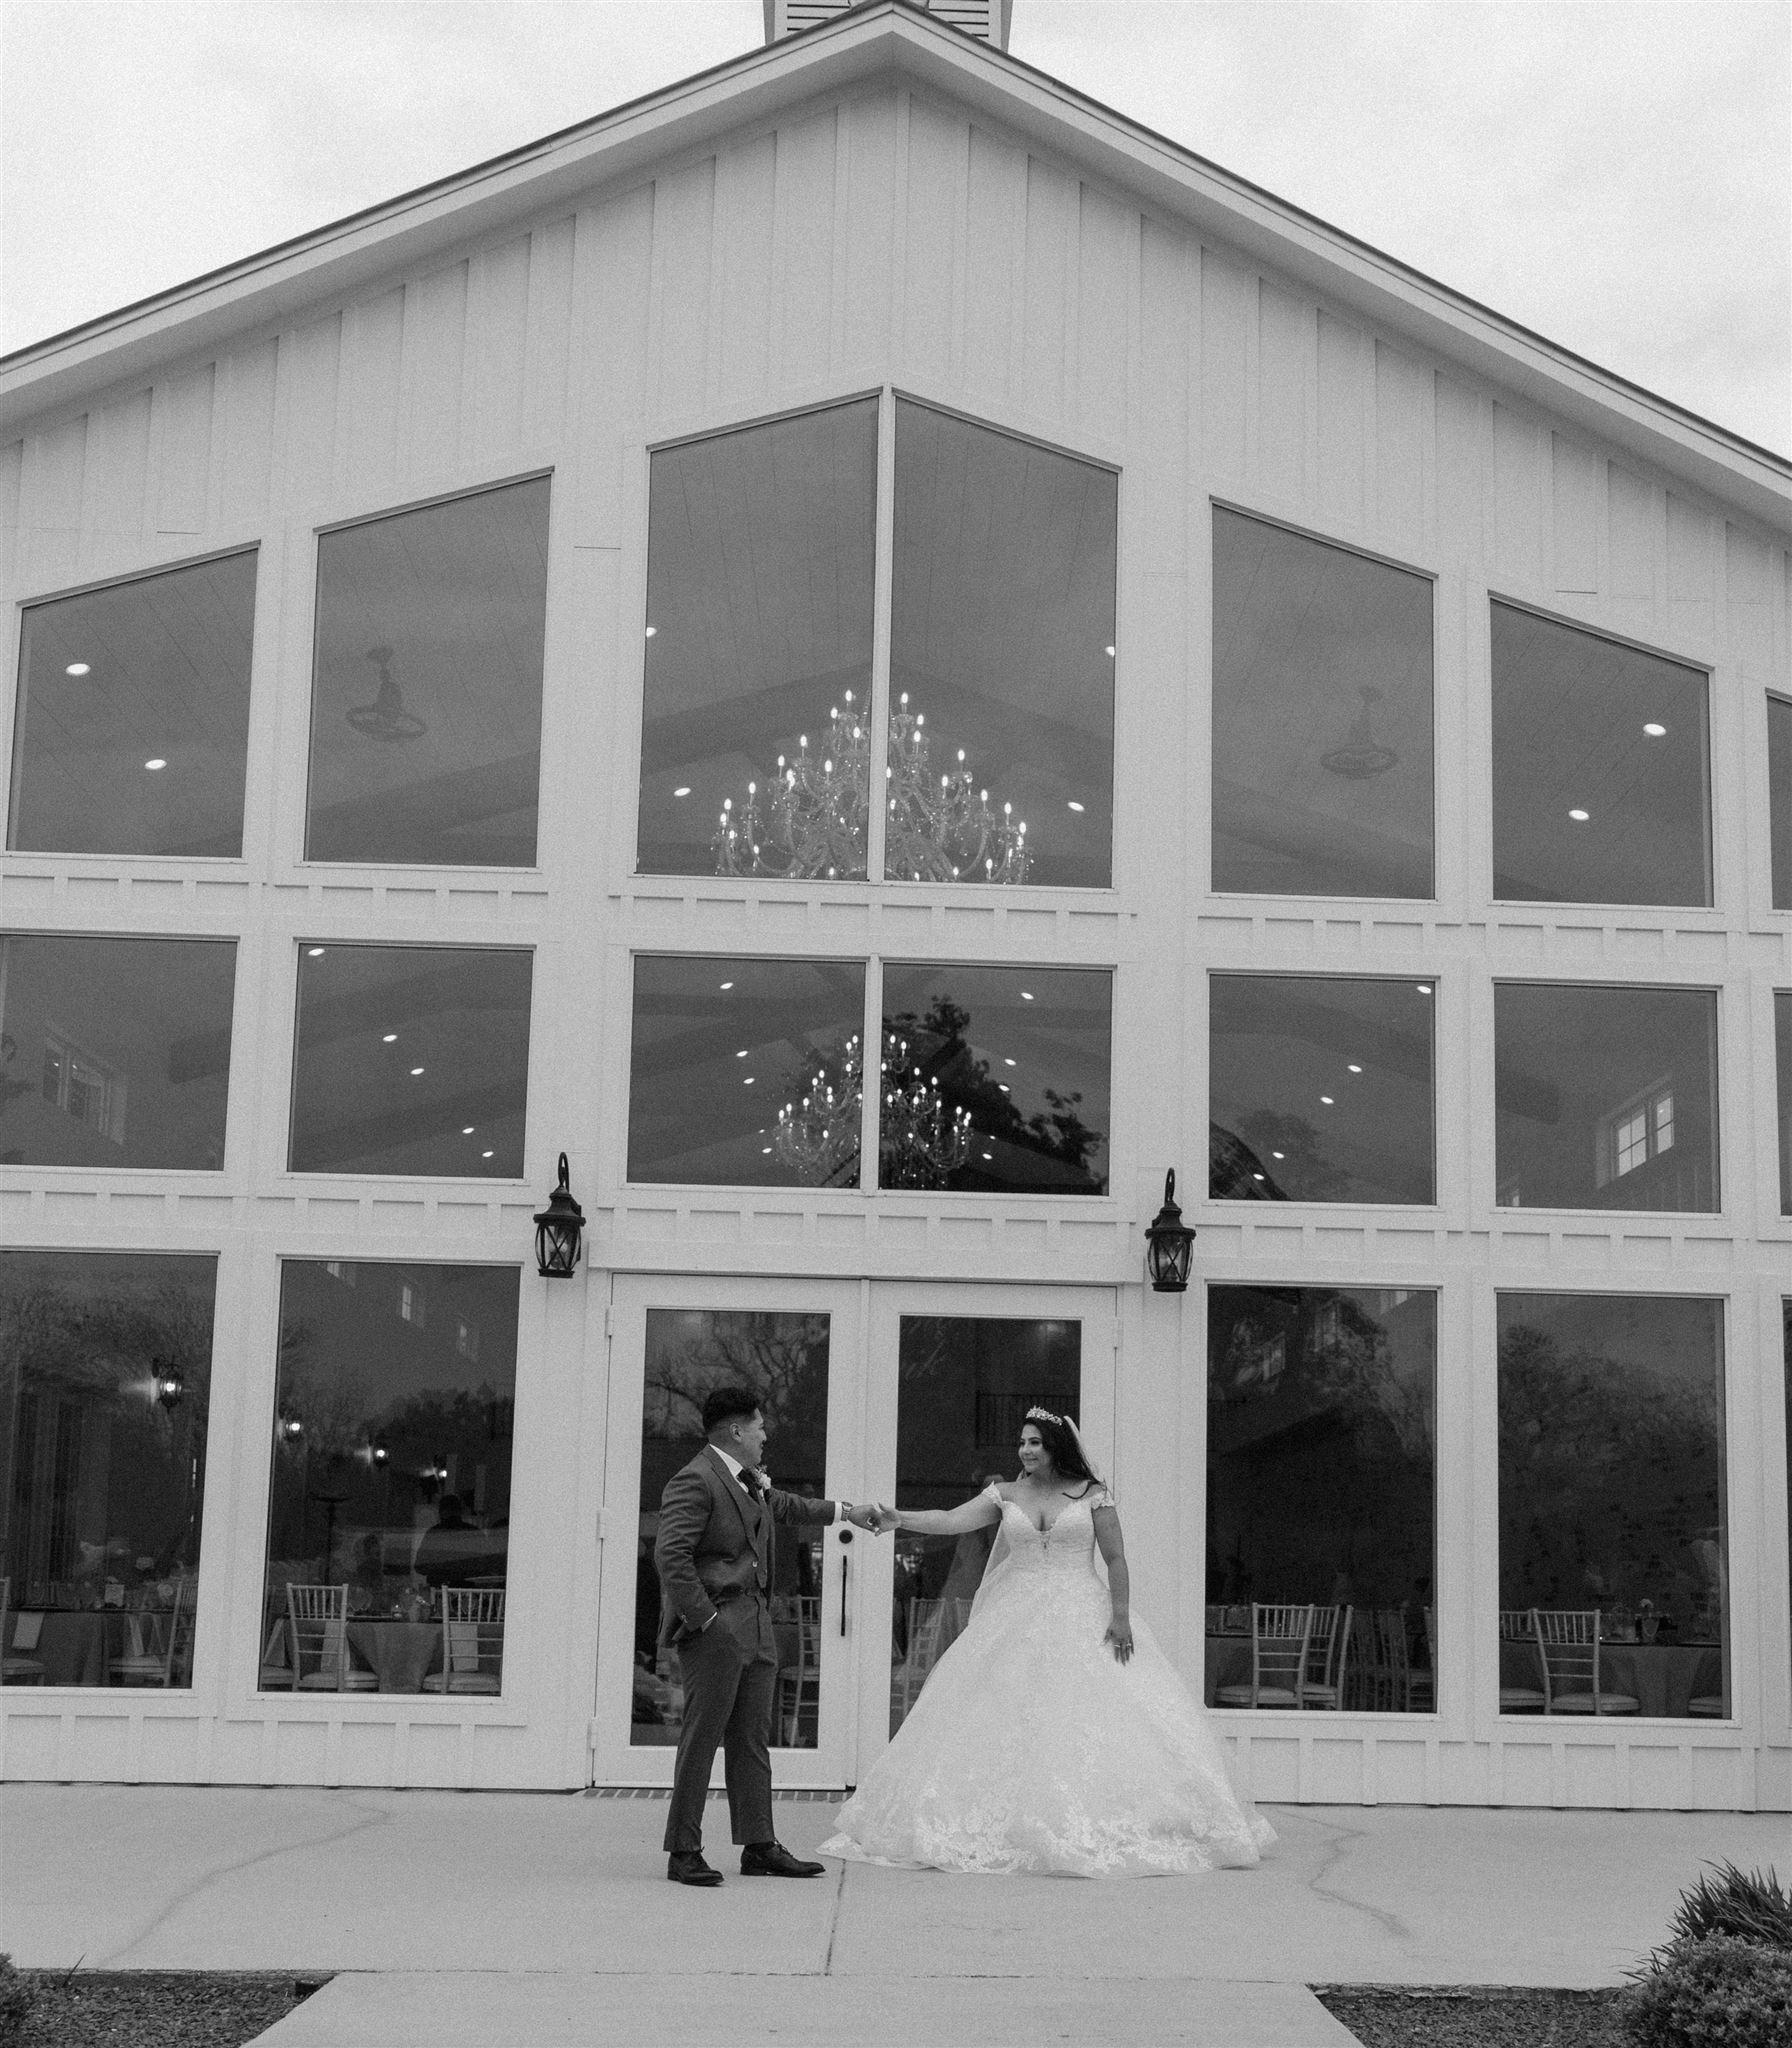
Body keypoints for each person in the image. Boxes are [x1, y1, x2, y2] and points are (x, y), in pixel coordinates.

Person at [820, 1407, 1275, 1878]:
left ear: (1055, 1446)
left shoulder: (1092, 1494)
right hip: (1012, 1614)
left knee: (1094, 1714)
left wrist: (1121, 1616)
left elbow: (1116, 1558)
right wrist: (900, 1518)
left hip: (1083, 1611)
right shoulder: (1005, 1493)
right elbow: (952, 1519)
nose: (1025, 1450)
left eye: (1034, 1442)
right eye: (1022, 1442)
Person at [654, 1385, 882, 1886]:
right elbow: (670, 1556)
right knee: (701, 1738)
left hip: (757, 1624)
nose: (765, 1435)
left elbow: (787, 1506)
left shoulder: (747, 1480)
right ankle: (683, 1850)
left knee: (752, 1739)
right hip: (716, 1627)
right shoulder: (695, 1479)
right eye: (759, 1426)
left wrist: (847, 1512)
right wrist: (706, 1622)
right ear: (736, 1430)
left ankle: (759, 1846)